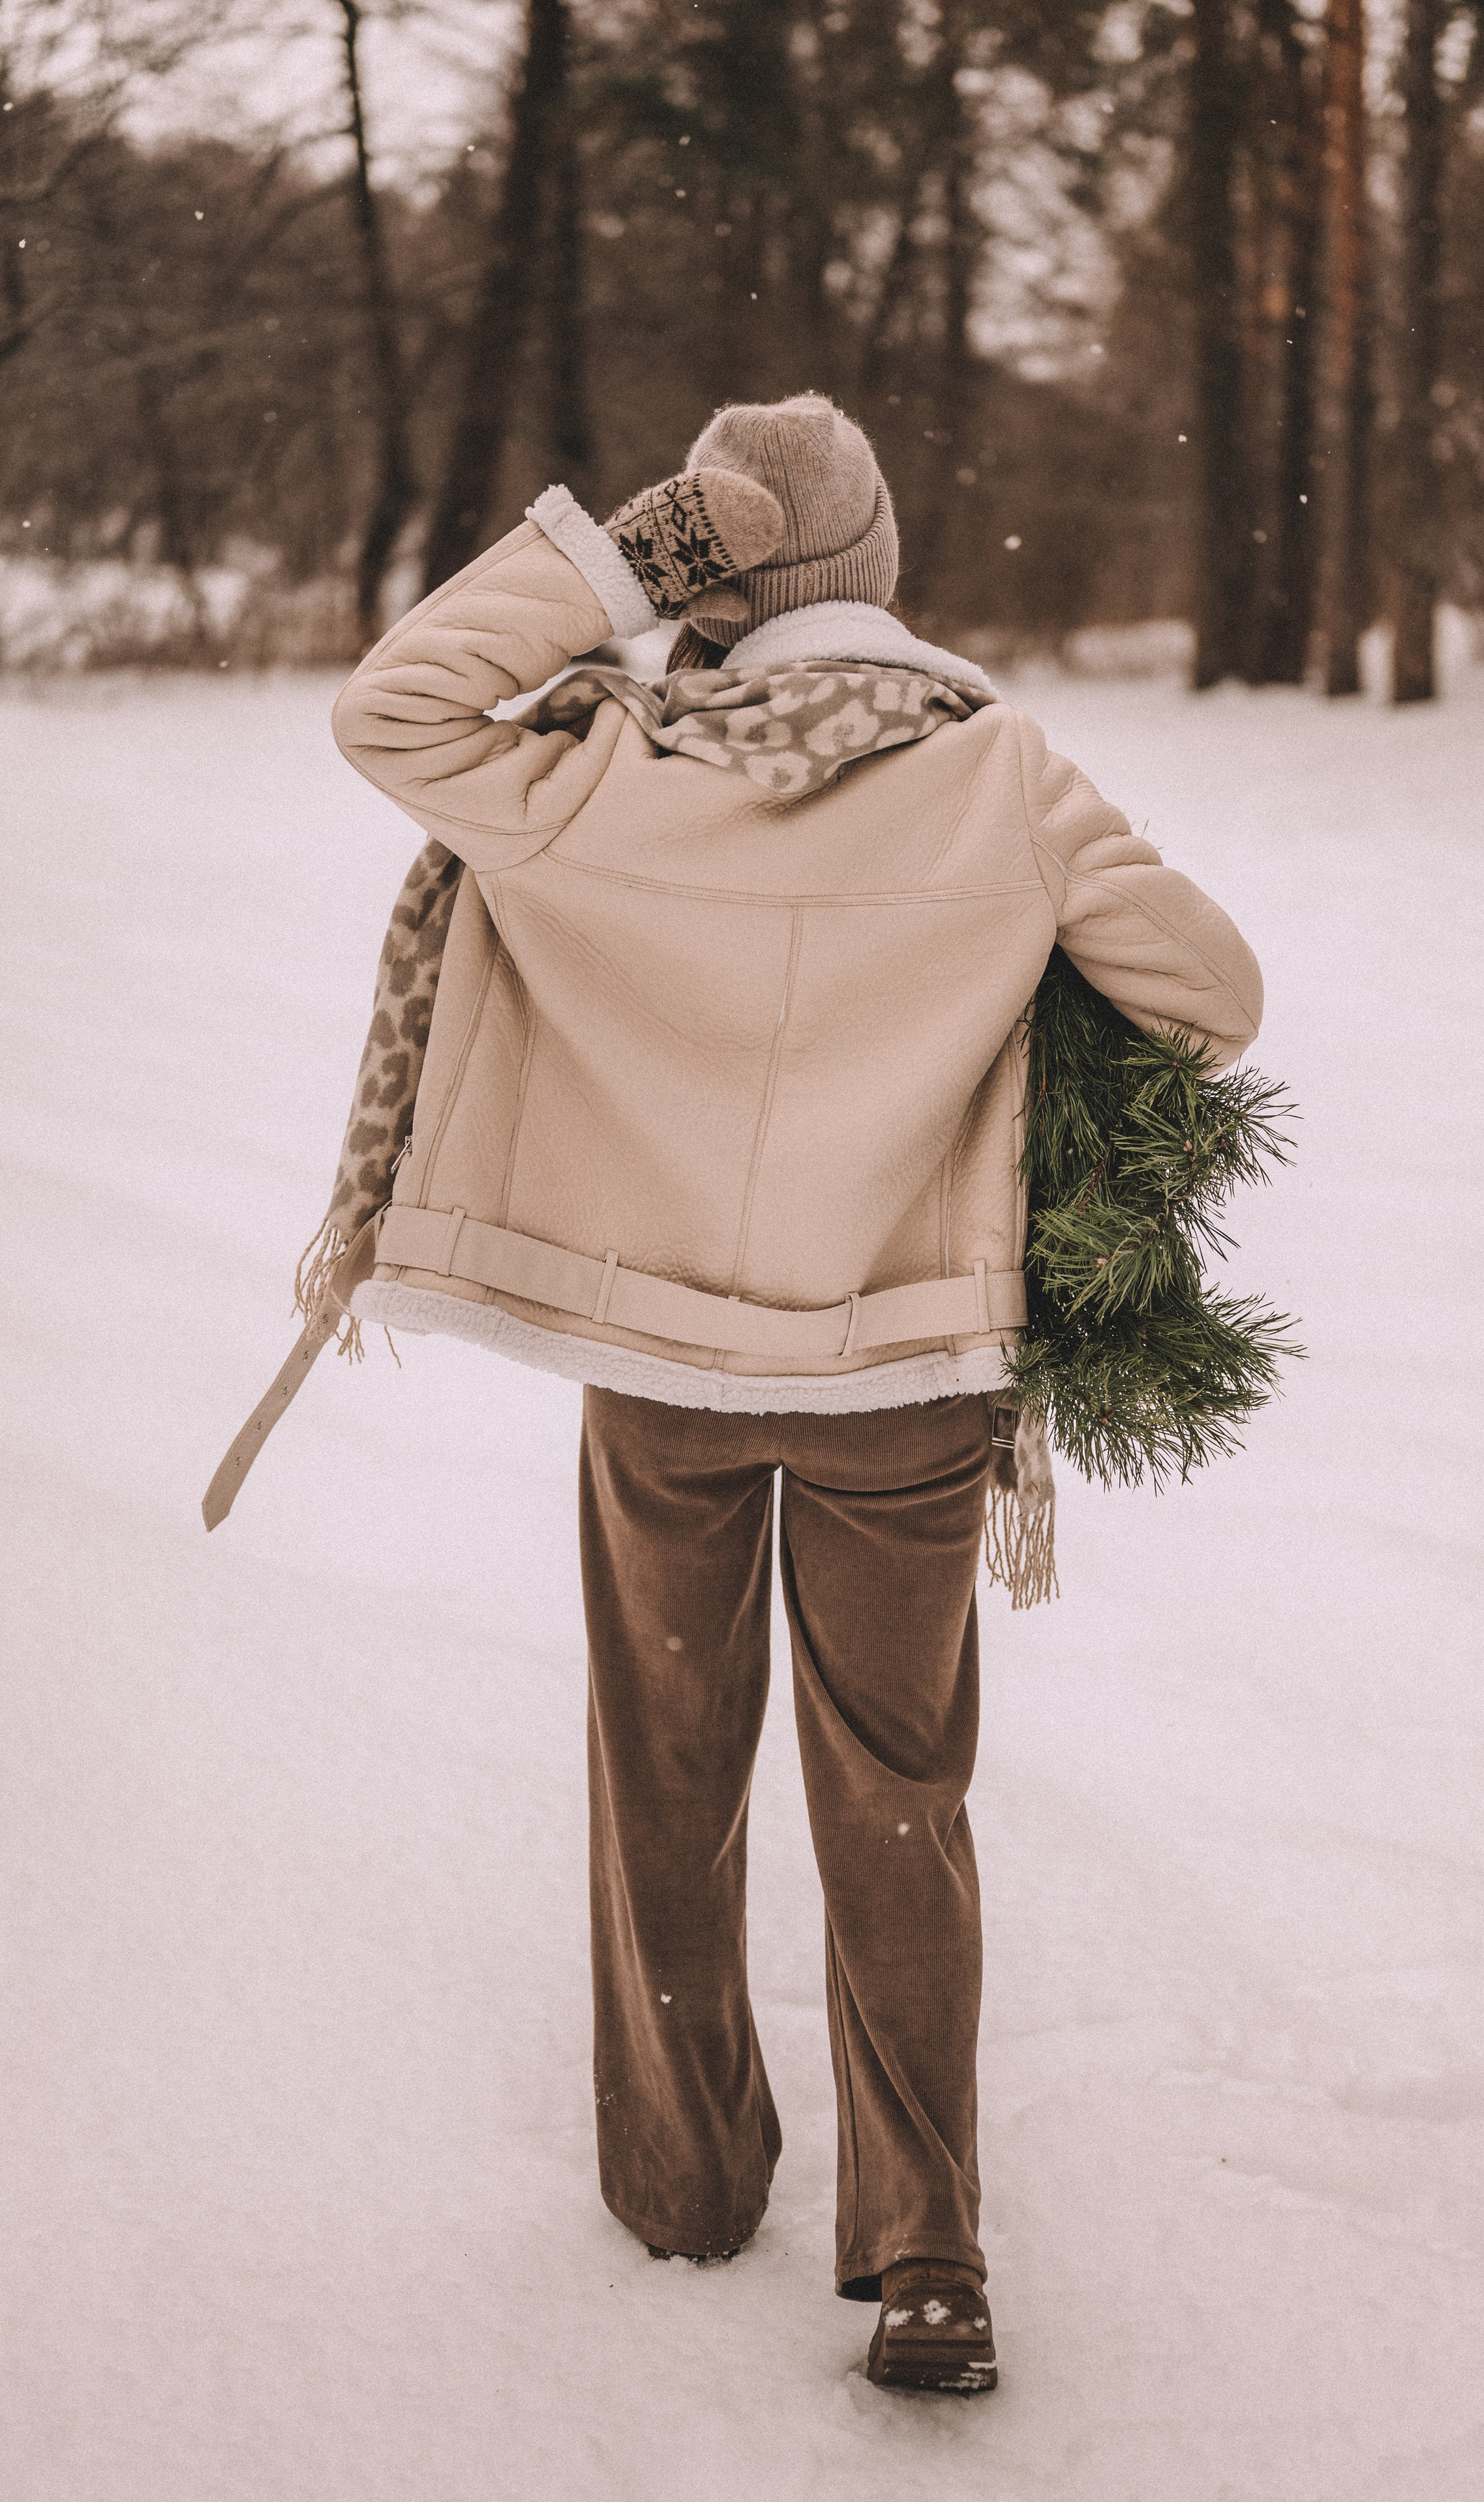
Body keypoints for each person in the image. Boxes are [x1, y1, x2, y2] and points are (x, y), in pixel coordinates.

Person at [328, 393, 1263, 2394]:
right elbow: (1211, 991)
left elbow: (391, 713)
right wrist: (994, 1015)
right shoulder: (998, 772)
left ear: (710, 571)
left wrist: (614, 562)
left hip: (662, 1372)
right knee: (898, 1797)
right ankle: (927, 2249)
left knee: (666, 1769)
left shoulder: (599, 765)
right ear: (882, 578)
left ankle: (682, 2181)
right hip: (905, 1378)